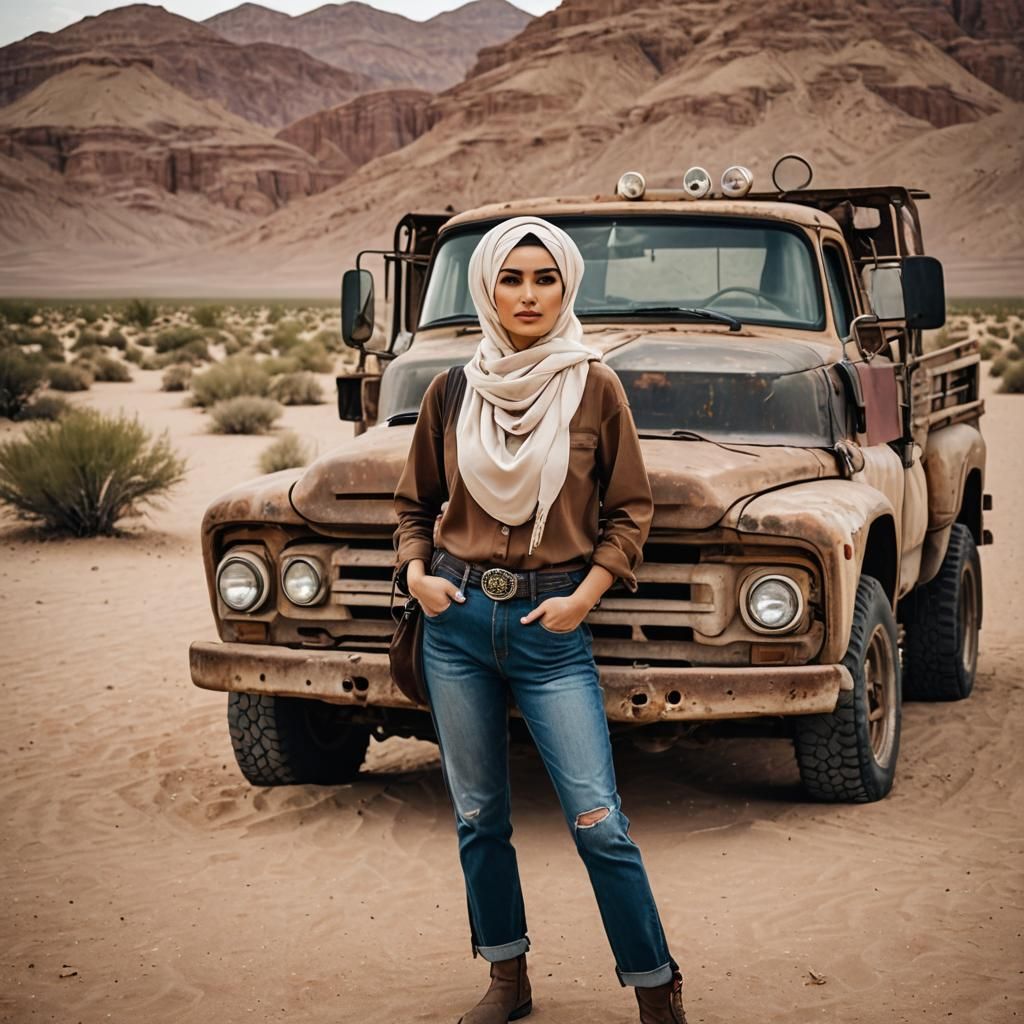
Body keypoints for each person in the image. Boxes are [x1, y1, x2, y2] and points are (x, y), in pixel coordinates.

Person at [393, 216, 686, 1024]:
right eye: (512, 278)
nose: (527, 294)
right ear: (486, 287)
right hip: (453, 625)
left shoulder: (595, 386)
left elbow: (630, 510)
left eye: (545, 278)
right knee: (479, 815)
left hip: (551, 631)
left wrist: (585, 596)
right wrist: (418, 574)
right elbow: (415, 504)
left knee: (599, 822)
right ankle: (506, 979)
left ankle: (656, 986)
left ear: (568, 287)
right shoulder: (451, 388)